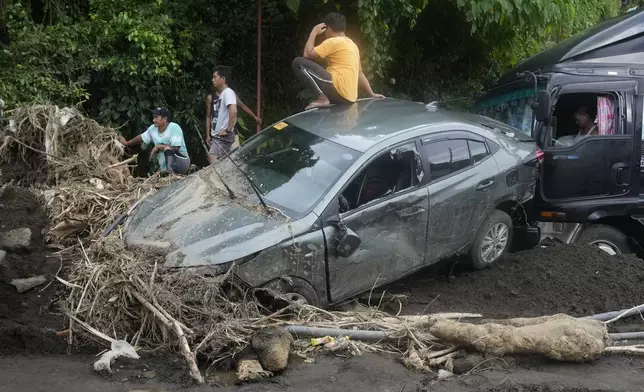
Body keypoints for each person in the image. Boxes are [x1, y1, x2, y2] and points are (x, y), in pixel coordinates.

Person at [292, 12, 384, 110]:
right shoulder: (353, 45)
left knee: (298, 63)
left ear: (328, 28)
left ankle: (322, 98)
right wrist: (371, 93)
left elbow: (307, 55)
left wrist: (314, 31)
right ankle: (324, 98)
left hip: (337, 90)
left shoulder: (333, 41)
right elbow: (360, 73)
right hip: (349, 98)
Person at [119, 107, 191, 175]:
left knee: (167, 148)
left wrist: (158, 146)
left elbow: (176, 148)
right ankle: (167, 172)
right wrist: (127, 143)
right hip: (165, 166)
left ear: (165, 119)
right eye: (154, 117)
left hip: (182, 162)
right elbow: (141, 138)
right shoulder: (152, 129)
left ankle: (170, 172)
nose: (153, 120)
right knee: (165, 151)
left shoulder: (174, 127)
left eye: (156, 117)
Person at [205, 74, 261, 153]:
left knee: (235, 157)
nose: (213, 80)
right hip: (217, 134)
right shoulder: (210, 98)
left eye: (215, 78)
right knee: (218, 159)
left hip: (230, 132)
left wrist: (255, 117)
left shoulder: (231, 94)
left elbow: (243, 106)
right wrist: (207, 135)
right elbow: (208, 116)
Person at [207, 66, 239, 163]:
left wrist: (228, 130)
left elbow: (233, 111)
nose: (212, 80)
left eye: (215, 77)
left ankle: (218, 178)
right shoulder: (224, 94)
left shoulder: (228, 92)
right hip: (219, 135)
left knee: (212, 157)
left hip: (223, 136)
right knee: (229, 161)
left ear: (223, 79)